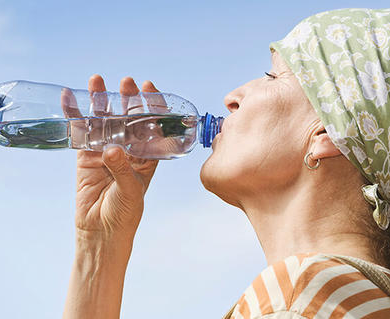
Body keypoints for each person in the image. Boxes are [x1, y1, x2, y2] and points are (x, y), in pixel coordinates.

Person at [62, 8, 390, 319]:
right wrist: (100, 247)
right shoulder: (352, 296)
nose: (231, 97)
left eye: (273, 76)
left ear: (325, 134)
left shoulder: (301, 295)